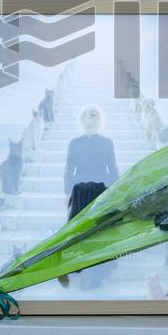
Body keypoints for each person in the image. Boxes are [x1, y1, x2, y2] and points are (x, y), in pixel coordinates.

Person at [60, 105, 118, 291]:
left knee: (81, 231)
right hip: (100, 190)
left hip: (82, 191)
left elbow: (69, 170)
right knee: (98, 231)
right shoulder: (107, 142)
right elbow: (112, 169)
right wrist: (116, 190)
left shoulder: (74, 143)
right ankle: (95, 272)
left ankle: (85, 269)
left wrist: (67, 192)